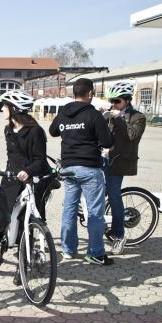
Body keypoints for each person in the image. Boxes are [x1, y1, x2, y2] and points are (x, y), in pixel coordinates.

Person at [0, 90, 51, 282]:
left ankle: (23, 265)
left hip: (31, 180)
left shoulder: (36, 132)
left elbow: (40, 160)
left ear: (15, 108)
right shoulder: (8, 128)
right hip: (10, 180)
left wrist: (28, 171)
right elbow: (12, 158)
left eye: (5, 106)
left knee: (28, 223)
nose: (2, 109)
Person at [49, 78, 114, 265]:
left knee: (69, 209)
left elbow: (53, 131)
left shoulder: (63, 112)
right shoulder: (93, 114)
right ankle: (95, 252)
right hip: (89, 168)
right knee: (94, 213)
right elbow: (108, 142)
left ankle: (68, 250)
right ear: (90, 93)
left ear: (74, 93)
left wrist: (68, 130)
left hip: (68, 168)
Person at [102, 81, 146, 255]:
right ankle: (104, 226)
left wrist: (118, 118)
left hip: (120, 162)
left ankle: (119, 235)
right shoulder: (110, 114)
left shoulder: (138, 117)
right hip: (103, 159)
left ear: (127, 101)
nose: (114, 105)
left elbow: (131, 135)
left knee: (114, 195)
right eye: (112, 101)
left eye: (117, 101)